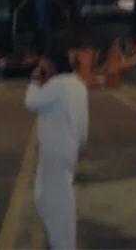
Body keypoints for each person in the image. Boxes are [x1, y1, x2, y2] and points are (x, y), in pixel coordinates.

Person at [25, 44, 90, 250]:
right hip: (65, 150)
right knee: (43, 195)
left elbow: (31, 102)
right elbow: (84, 124)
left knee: (59, 202)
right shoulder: (79, 85)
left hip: (56, 153)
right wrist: (79, 142)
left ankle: (64, 245)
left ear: (52, 65)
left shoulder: (58, 86)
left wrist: (35, 79)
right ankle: (57, 241)